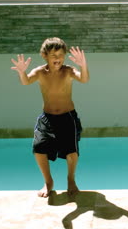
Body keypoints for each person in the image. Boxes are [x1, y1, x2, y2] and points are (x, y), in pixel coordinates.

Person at [11, 37, 90, 197]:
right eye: (54, 55)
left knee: (71, 152)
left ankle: (71, 180)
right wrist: (22, 72)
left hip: (67, 117)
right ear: (45, 55)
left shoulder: (67, 71)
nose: (58, 59)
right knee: (39, 149)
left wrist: (83, 65)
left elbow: (84, 79)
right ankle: (48, 182)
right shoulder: (40, 72)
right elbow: (26, 82)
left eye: (61, 55)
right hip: (47, 118)